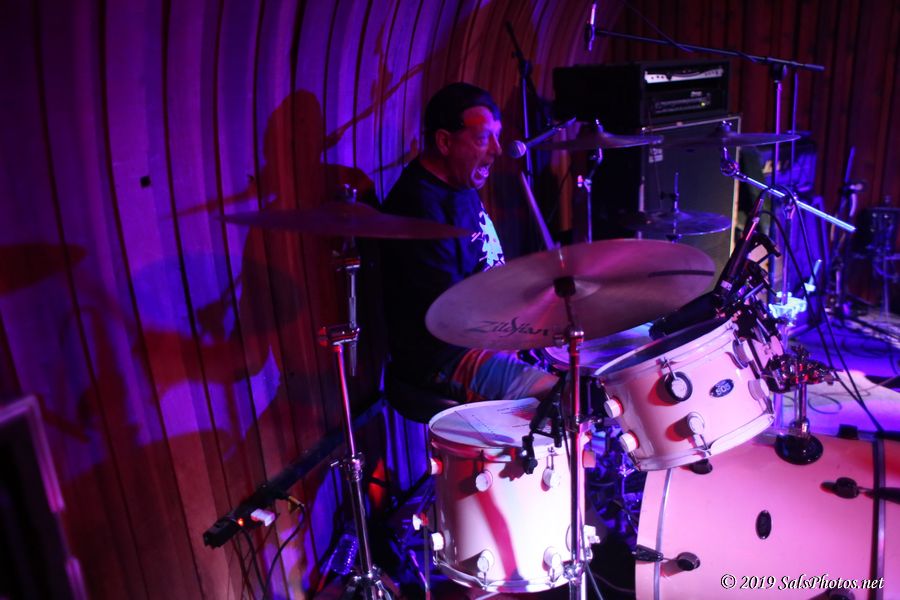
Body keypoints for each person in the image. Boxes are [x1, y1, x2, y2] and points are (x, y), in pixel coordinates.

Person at [381, 82, 558, 405]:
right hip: (445, 357)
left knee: (583, 366)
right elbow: (450, 316)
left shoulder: (459, 183)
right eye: (482, 139)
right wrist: (519, 329)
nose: (497, 150)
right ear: (445, 142)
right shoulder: (419, 208)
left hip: (483, 337)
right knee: (558, 395)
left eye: (496, 136)